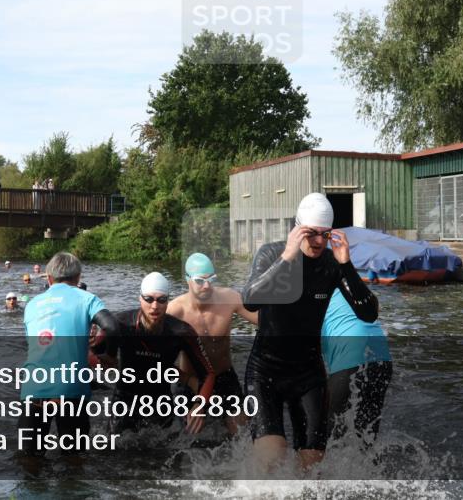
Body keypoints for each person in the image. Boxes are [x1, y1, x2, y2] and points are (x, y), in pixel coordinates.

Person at [242, 193, 379, 473]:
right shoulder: (271, 253)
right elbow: (249, 299)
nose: (318, 241)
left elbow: (368, 312)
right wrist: (287, 258)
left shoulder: (331, 264)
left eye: (325, 235)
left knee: (311, 470)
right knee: (271, 458)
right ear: (297, 228)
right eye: (311, 233)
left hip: (308, 375)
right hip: (265, 371)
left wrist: (346, 265)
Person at [18, 252, 120, 456]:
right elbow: (112, 327)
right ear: (78, 277)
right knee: (75, 460)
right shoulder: (87, 298)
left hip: (33, 390)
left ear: (48, 278)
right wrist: (108, 355)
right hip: (71, 390)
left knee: (28, 462)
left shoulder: (31, 305)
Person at [103, 272, 216, 435]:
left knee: (162, 455)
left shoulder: (181, 331)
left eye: (161, 300)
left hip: (160, 401)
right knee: (114, 450)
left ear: (167, 301)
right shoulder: (120, 324)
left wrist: (200, 406)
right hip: (124, 398)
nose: (154, 306)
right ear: (140, 299)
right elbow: (92, 353)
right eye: (149, 299)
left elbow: (208, 374)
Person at [168, 253, 258, 435]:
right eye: (200, 281)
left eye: (211, 279)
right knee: (187, 439)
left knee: (242, 436)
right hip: (191, 382)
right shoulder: (175, 311)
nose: (207, 285)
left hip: (224, 376)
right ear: (188, 280)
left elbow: (264, 320)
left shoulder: (229, 299)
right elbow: (157, 354)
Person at [322, 289, 393, 446]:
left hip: (350, 356)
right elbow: (374, 305)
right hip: (382, 358)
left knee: (325, 437)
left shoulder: (304, 290)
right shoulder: (344, 283)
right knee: (366, 438)